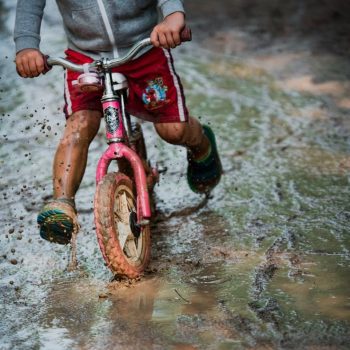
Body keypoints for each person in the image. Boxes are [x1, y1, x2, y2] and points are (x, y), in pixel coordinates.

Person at [14, 0, 222, 245]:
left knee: (174, 130)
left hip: (144, 49)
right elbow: (30, 4)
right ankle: (62, 203)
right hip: (86, 60)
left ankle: (202, 145)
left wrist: (172, 15)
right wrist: (26, 47)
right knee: (79, 126)